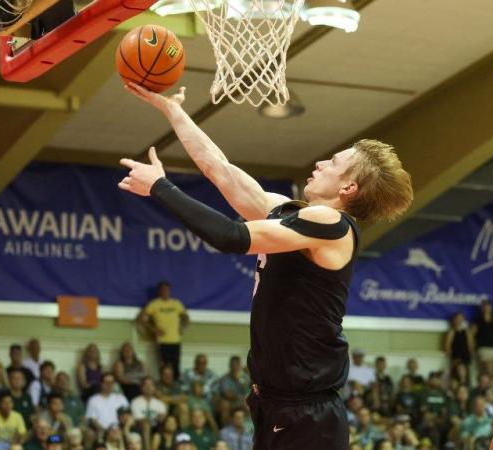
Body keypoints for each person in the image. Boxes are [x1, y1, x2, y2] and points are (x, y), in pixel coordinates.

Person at [120, 81, 413, 450]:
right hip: (278, 406)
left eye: (334, 162)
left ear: (349, 188)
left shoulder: (331, 223)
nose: (321, 163)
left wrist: (161, 187)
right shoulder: (299, 217)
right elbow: (220, 170)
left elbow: (229, 236)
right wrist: (173, 111)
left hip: (305, 413)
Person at [139, 281, 189, 377]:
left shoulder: (176, 303)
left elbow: (185, 317)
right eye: (162, 289)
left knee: (175, 366)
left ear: (169, 291)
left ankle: (175, 388)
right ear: (159, 291)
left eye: (166, 289)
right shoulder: (154, 304)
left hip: (175, 340)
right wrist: (153, 329)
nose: (165, 291)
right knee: (164, 367)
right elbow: (141, 319)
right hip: (162, 341)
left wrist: (183, 327)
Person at [212, 356, 249, 426]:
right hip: (230, 402)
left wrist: (239, 380)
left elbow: (247, 389)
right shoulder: (225, 378)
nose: (235, 367)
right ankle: (227, 429)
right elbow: (227, 394)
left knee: (249, 402)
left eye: (237, 365)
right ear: (230, 366)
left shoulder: (245, 377)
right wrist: (239, 396)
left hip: (243, 400)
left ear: (240, 365)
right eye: (233, 365)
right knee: (225, 405)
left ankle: (248, 427)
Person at [472, 299, 493, 378]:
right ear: (481, 308)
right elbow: (472, 335)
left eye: (488, 306)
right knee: (489, 370)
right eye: (484, 306)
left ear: (491, 307)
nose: (486, 308)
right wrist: (472, 348)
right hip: (483, 348)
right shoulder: (477, 320)